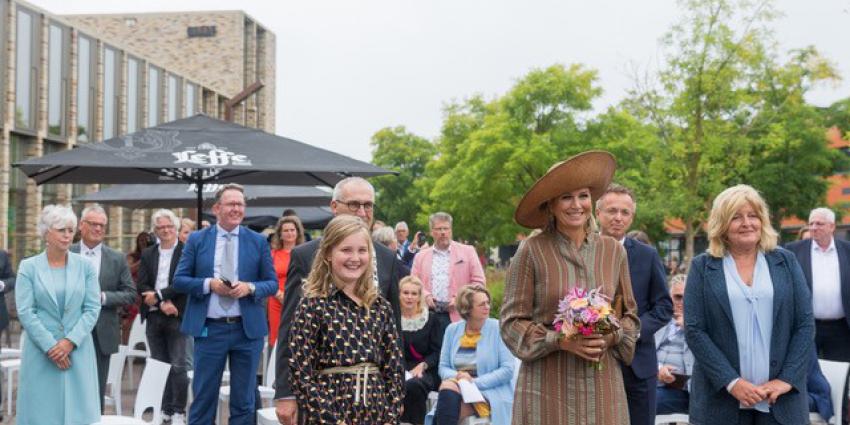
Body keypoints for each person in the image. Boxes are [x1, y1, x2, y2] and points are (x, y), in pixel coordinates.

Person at [500, 150, 640, 424]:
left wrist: (609, 336)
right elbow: (510, 323)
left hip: (602, 388)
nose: (576, 205)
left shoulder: (613, 252)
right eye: (566, 197)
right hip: (547, 386)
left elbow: (629, 316)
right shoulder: (532, 250)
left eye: (583, 196)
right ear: (551, 205)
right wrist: (561, 340)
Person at [274, 176, 407, 425]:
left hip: (375, 404)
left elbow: (394, 345)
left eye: (368, 205)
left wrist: (393, 409)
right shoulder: (305, 259)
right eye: (354, 204)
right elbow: (291, 335)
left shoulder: (387, 261)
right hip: (326, 402)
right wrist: (285, 392)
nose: (362, 212)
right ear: (334, 206)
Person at [684, 184, 814, 425]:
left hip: (780, 400)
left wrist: (786, 379)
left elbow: (805, 324)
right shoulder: (702, 267)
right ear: (722, 224)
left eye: (753, 215)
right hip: (720, 401)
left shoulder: (786, 261)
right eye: (736, 217)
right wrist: (732, 382)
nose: (747, 223)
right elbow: (694, 330)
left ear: (762, 220)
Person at [173, 183, 278, 425]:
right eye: (231, 204)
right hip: (210, 330)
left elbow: (271, 284)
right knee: (203, 399)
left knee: (244, 402)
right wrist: (209, 284)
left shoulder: (258, 241)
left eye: (240, 204)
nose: (236, 209)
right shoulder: (197, 239)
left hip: (246, 331)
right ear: (217, 208)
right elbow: (179, 280)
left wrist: (250, 288)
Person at [15, 205, 101, 425]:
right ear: (46, 233)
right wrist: (51, 346)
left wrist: (69, 342)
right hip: (41, 352)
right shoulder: (28, 267)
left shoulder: (86, 267)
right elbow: (26, 311)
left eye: (71, 230)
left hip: (78, 351)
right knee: (40, 414)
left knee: (79, 415)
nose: (67, 235)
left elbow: (92, 308)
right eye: (61, 230)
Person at [596, 184, 672, 425]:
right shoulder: (581, 252)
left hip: (638, 366)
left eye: (625, 212)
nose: (618, 217)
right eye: (612, 210)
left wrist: (632, 332)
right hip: (593, 362)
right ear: (597, 213)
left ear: (632, 217)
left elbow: (664, 307)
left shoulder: (647, 255)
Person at [71, 204, 137, 408]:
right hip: (69, 330)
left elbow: (130, 294)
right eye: (93, 224)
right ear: (81, 225)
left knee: (96, 390)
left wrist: (102, 297)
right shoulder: (67, 253)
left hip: (102, 333)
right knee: (69, 388)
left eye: (102, 225)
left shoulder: (117, 258)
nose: (98, 228)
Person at [427, 285, 515, 425]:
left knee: (447, 402)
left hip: (491, 392)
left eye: (488, 302)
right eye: (481, 304)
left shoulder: (497, 328)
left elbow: (507, 370)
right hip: (458, 389)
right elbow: (443, 367)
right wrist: (460, 377)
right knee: (448, 390)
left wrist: (473, 382)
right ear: (467, 309)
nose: (487, 307)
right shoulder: (452, 330)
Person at [137, 209, 189, 424]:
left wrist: (161, 297)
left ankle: (179, 411)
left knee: (178, 365)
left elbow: (185, 283)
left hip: (177, 314)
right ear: (155, 230)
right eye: (161, 227)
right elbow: (141, 284)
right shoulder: (148, 253)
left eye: (169, 226)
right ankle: (164, 408)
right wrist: (159, 303)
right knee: (159, 365)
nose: (166, 230)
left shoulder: (187, 251)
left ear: (176, 228)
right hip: (154, 315)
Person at [785, 207, 850, 362]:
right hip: (806, 326)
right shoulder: (793, 250)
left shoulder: (847, 250)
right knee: (806, 369)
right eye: (811, 223)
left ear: (832, 226)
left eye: (819, 224)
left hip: (841, 328)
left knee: (840, 371)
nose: (813, 227)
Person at [411, 212, 486, 325]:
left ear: (451, 230)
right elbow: (413, 283)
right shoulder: (420, 256)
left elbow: (479, 282)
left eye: (446, 228)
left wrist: (460, 298)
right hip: (427, 315)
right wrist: (425, 295)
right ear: (431, 232)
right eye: (439, 229)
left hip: (459, 315)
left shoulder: (468, 252)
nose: (443, 232)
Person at [399, 275, 446, 425]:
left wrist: (422, 366)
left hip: (426, 369)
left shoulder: (431, 319)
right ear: (399, 294)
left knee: (413, 385)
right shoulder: (392, 318)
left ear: (420, 297)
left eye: (414, 293)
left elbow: (438, 352)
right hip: (398, 368)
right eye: (406, 293)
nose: (409, 297)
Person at [654, 274, 693, 415]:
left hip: (685, 391)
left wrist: (690, 328)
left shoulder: (701, 325)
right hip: (653, 383)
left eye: (687, 297)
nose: (682, 302)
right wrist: (658, 369)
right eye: (678, 297)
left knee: (646, 401)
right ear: (670, 298)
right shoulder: (659, 321)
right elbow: (644, 352)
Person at [268, 215, 305, 347]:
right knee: (278, 339)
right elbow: (267, 277)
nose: (289, 233)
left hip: (299, 301)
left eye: (292, 230)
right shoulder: (272, 254)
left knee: (299, 337)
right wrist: (278, 294)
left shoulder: (305, 253)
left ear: (298, 232)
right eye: (286, 230)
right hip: (276, 300)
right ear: (280, 234)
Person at [123, 231, 152, 343]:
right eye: (141, 240)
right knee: (128, 324)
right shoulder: (132, 256)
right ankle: (125, 347)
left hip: (147, 293)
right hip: (134, 294)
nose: (144, 243)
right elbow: (128, 270)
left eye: (147, 241)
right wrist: (143, 258)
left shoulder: (154, 256)